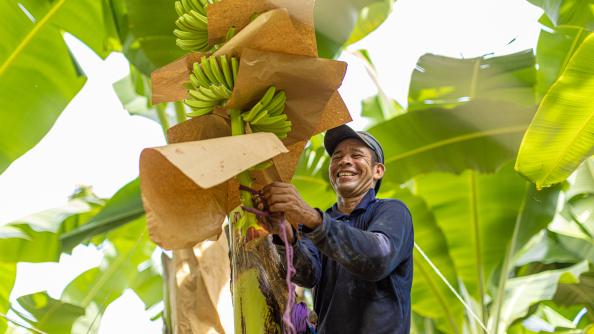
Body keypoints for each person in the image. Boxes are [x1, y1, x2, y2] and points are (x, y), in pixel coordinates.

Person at [262, 124, 414, 334]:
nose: (345, 161)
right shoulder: (321, 221)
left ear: (377, 170)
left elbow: (378, 257)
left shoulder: (392, 211)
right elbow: (307, 275)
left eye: (357, 155)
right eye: (337, 157)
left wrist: (312, 218)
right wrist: (284, 235)